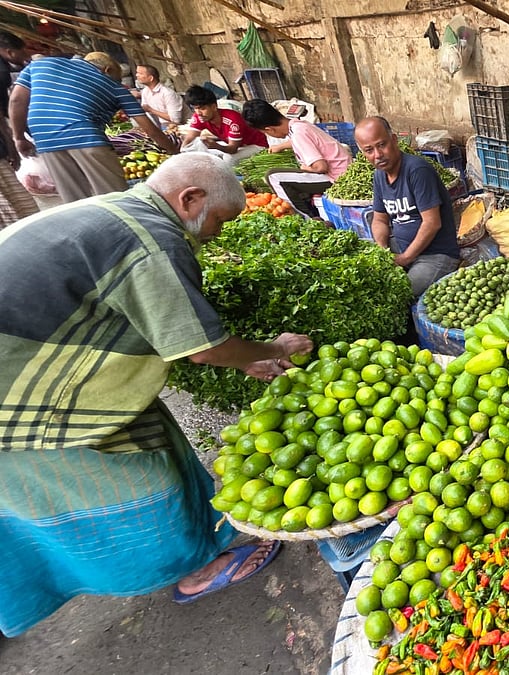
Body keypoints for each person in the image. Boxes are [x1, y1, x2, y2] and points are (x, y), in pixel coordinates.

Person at [0, 153, 312, 637]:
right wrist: (272, 348)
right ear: (191, 199)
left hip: (25, 361)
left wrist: (245, 357)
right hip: (19, 395)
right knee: (138, 479)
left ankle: (203, 543)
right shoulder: (153, 239)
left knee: (151, 433)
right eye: (222, 220)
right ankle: (191, 570)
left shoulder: (118, 207)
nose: (219, 234)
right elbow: (203, 350)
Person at [8, 51, 178, 203]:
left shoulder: (41, 64)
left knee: (77, 203)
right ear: (107, 70)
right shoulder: (114, 86)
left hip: (45, 140)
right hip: (86, 136)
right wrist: (174, 152)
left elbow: (16, 100)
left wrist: (19, 138)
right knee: (117, 199)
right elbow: (150, 129)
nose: (117, 83)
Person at [355, 116, 459, 297]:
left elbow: (432, 223)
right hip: (401, 247)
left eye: (382, 145)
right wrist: (381, 248)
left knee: (399, 293)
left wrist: (405, 258)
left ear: (394, 140)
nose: (378, 155)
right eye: (369, 150)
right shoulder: (379, 176)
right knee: (360, 272)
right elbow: (379, 219)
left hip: (435, 255)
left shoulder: (417, 171)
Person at [241, 98, 351, 219]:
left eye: (264, 132)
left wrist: (305, 168)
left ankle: (305, 218)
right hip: (343, 169)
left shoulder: (298, 134)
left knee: (273, 176)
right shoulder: (298, 125)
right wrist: (281, 146)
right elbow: (300, 141)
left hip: (337, 177)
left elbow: (321, 167)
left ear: (269, 129)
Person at [180, 85, 267, 166]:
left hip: (257, 145)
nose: (199, 113)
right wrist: (183, 151)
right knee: (203, 153)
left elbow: (233, 149)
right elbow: (190, 138)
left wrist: (216, 146)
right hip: (235, 145)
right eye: (195, 108)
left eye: (203, 108)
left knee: (228, 159)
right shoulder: (200, 117)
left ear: (214, 107)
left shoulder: (232, 120)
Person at [0, 31, 35, 227]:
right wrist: (15, 140)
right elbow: (7, 106)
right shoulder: (2, 73)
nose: (26, 56)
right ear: (10, 52)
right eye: (23, 52)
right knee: (14, 209)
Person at [132, 64, 185, 128]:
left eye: (140, 73)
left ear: (151, 78)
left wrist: (151, 110)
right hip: (162, 125)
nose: (137, 75)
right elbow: (145, 110)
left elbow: (175, 120)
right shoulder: (145, 91)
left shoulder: (167, 93)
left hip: (180, 126)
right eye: (137, 72)